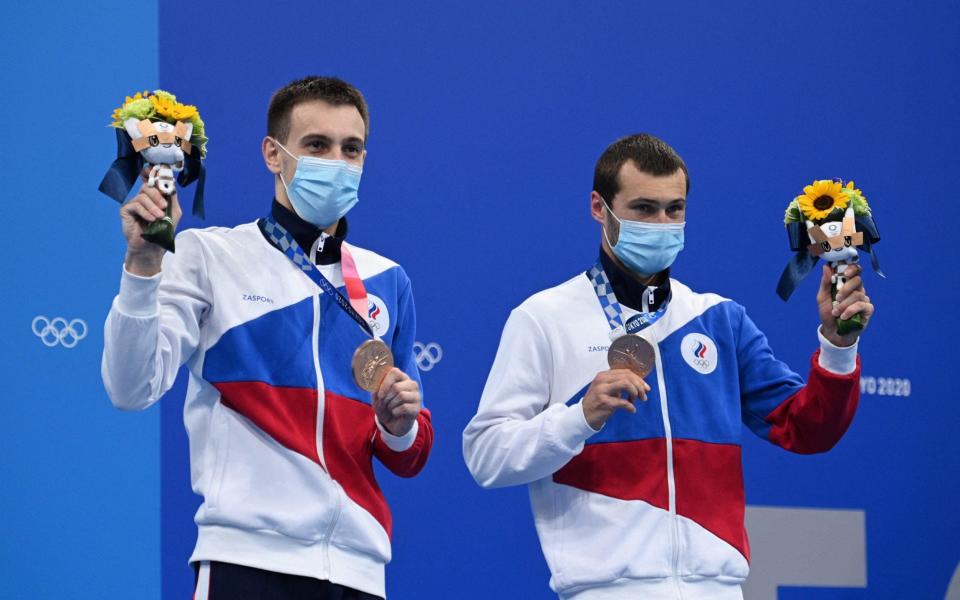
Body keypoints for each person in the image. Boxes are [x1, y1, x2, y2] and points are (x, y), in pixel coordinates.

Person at [462, 133, 872, 599]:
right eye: (643, 208)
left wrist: (839, 346)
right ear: (600, 208)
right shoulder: (543, 318)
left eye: (674, 210)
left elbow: (809, 428)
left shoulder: (719, 319)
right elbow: (486, 455)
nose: (661, 224)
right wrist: (579, 418)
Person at [102, 76, 433, 600]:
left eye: (352, 149)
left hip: (360, 571)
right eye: (317, 146)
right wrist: (143, 267)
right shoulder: (209, 258)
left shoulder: (388, 280)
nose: (337, 162)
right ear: (273, 155)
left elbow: (409, 454)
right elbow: (131, 387)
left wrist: (399, 424)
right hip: (245, 562)